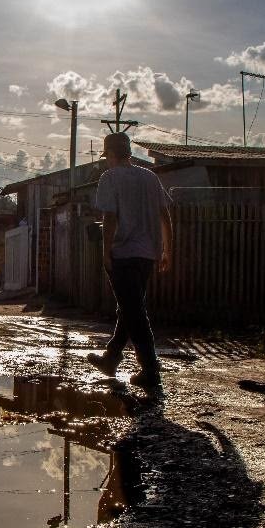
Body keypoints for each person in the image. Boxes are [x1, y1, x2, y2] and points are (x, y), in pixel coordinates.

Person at [87, 132, 173, 388]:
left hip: (123, 253)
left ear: (111, 155)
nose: (107, 161)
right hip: (148, 254)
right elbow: (164, 215)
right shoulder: (150, 177)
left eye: (107, 157)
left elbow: (110, 218)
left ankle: (150, 369)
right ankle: (111, 358)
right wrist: (168, 250)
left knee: (134, 311)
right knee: (129, 307)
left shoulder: (110, 178)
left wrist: (105, 252)